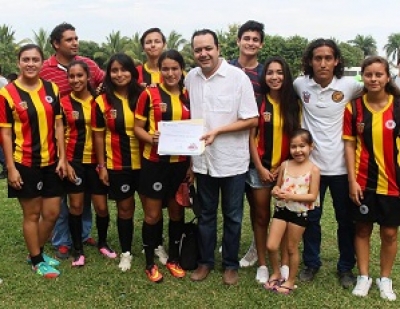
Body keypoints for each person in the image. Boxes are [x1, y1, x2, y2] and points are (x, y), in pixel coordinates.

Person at [186, 29, 258, 285]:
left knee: (233, 215)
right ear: (193, 52)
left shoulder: (238, 78)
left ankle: (230, 264)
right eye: (198, 50)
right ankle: (205, 262)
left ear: (218, 49)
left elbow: (252, 119)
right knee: (206, 214)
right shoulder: (191, 78)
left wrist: (218, 130)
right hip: (203, 161)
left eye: (208, 48)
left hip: (232, 161)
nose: (203, 54)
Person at [293, 38, 363, 288]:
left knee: (346, 221)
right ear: (310, 61)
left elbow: (376, 94)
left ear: (337, 61)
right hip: (312, 168)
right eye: (317, 58)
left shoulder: (350, 85)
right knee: (311, 219)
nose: (323, 63)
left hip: (343, 168)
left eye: (328, 58)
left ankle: (346, 268)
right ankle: (312, 264)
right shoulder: (300, 84)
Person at [0, 44, 66, 278]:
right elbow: (5, 133)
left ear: (41, 62)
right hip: (24, 162)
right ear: (18, 62)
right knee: (32, 214)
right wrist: (10, 168)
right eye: (25, 59)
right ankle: (37, 260)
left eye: (35, 59)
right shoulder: (8, 93)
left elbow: (59, 124)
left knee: (52, 213)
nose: (30, 64)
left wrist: (63, 158)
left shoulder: (52, 88)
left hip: (51, 162)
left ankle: (34, 251)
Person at [40, 22, 104, 259]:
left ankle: (84, 233)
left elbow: (106, 81)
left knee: (83, 193)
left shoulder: (89, 64)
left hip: (86, 136)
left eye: (76, 38)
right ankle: (62, 239)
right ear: (56, 44)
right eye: (69, 39)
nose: (75, 43)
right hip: (57, 137)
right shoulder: (45, 69)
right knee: (63, 191)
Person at [343, 56, 400, 301]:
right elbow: (348, 145)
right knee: (363, 228)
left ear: (387, 77)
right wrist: (352, 180)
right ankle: (364, 276)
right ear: (362, 78)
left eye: (379, 74)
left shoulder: (398, 106)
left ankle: (385, 279)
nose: (374, 79)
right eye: (369, 75)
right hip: (364, 181)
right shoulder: (354, 107)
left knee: (389, 233)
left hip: (393, 183)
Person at [135, 49, 192, 283]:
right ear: (159, 71)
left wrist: (191, 165)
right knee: (152, 215)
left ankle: (174, 259)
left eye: (174, 68)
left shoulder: (190, 95)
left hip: (180, 165)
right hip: (154, 164)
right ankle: (149, 262)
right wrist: (152, 138)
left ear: (181, 70)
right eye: (165, 69)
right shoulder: (149, 94)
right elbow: (137, 127)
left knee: (177, 213)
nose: (170, 73)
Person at [248, 56, 300, 284]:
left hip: (287, 171)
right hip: (260, 170)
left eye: (279, 72)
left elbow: (298, 138)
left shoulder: (294, 103)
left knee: (285, 217)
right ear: (264, 76)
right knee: (261, 217)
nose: (275, 77)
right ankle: (262, 263)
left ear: (286, 75)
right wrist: (259, 166)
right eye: (270, 72)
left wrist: (284, 167)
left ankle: (285, 264)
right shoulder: (257, 101)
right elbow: (250, 137)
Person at [62, 60, 116, 267]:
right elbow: (58, 134)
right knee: (75, 206)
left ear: (88, 78)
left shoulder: (100, 101)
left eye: (79, 76)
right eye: (71, 76)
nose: (75, 80)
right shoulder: (64, 102)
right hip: (74, 161)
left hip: (97, 162)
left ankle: (102, 242)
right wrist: (64, 162)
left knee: (101, 207)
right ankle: (78, 250)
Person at [92, 53, 142, 272]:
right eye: (114, 70)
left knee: (154, 211)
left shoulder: (145, 96)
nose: (120, 74)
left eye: (124, 69)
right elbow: (99, 136)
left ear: (132, 72)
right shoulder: (101, 101)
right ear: (108, 74)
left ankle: (156, 247)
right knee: (125, 209)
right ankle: (126, 252)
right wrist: (102, 166)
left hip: (148, 163)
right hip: (118, 165)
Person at [228, 20, 265, 269]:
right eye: (246, 38)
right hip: (228, 145)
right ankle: (231, 243)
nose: (250, 43)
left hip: (257, 148)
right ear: (238, 41)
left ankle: (255, 248)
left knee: (258, 205)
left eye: (255, 39)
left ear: (260, 44)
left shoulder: (266, 73)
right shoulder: (225, 69)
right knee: (231, 204)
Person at [265, 129, 320, 294]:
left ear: (311, 147)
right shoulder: (285, 165)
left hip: (299, 213)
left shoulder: (314, 170)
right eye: (293, 147)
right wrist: (275, 190)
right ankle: (276, 271)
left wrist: (290, 195)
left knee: (291, 248)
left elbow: (313, 196)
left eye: (302, 146)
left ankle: (290, 281)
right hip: (281, 210)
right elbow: (278, 185)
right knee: (272, 245)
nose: (298, 150)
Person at [136, 27, 169, 265]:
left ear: (164, 44)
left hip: (173, 151)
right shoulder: (136, 74)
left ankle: (159, 244)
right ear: (143, 46)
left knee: (169, 203)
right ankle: (151, 244)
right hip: (141, 147)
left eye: (157, 41)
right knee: (149, 202)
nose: (153, 45)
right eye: (148, 42)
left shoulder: (176, 72)